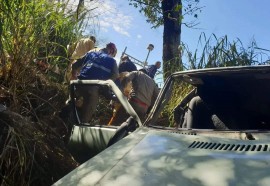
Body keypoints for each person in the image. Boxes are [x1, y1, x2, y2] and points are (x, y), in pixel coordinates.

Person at [70, 42, 118, 123]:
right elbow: (115, 76)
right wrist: (105, 88)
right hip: (92, 90)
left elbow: (74, 65)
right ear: (111, 52)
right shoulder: (112, 61)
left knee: (69, 105)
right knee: (84, 119)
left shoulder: (91, 54)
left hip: (78, 84)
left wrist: (74, 76)